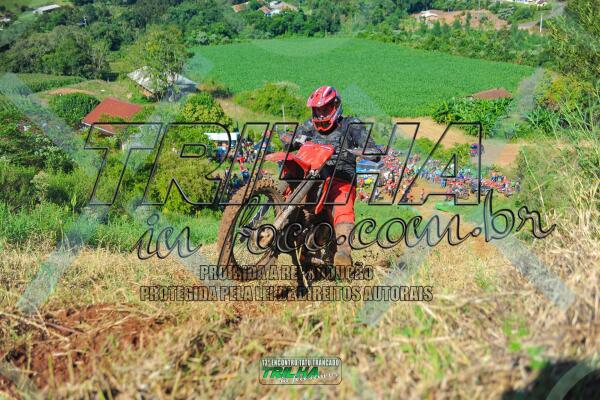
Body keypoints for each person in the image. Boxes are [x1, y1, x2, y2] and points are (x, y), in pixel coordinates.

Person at [285, 86, 381, 267]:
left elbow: (372, 148)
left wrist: (366, 151)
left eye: (325, 109)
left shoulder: (351, 124)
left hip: (341, 179)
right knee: (289, 178)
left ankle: (343, 253)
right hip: (313, 177)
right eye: (317, 110)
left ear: (335, 106)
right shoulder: (309, 125)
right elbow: (292, 140)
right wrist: (289, 140)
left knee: (342, 205)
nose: (321, 115)